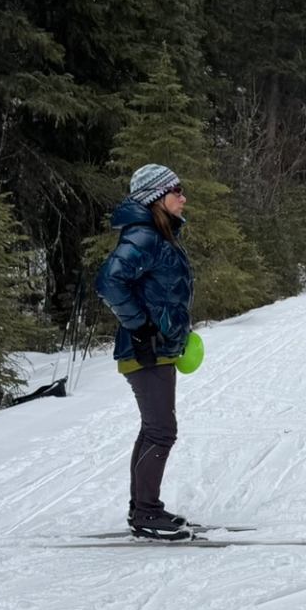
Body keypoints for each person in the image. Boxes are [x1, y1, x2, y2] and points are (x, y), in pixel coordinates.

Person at [95, 163, 197, 539]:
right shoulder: (144, 236)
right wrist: (141, 327)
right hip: (145, 349)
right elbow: (109, 281)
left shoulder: (156, 235)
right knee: (162, 431)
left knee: (154, 429)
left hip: (158, 346)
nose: (183, 198)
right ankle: (146, 513)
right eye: (176, 191)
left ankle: (143, 508)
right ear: (156, 197)